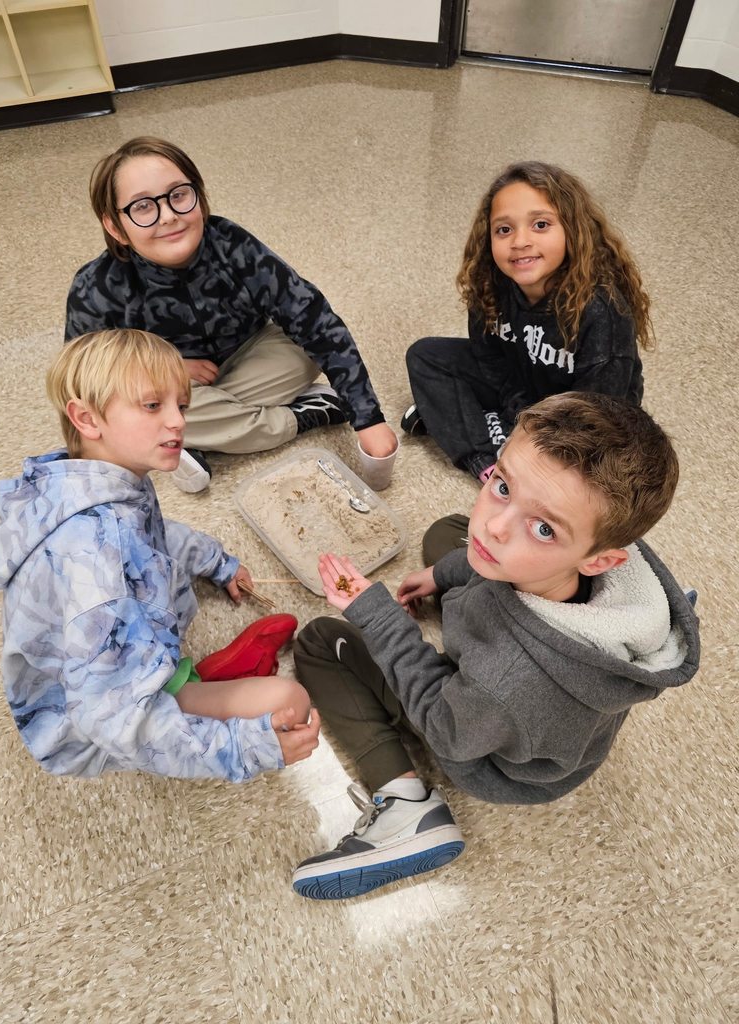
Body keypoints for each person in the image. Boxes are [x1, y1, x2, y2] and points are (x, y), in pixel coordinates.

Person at [292, 392, 700, 899]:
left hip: (483, 751)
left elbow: (447, 728)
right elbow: (493, 540)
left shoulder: (505, 681)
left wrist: (374, 615)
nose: (495, 525)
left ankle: (404, 805)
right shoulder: (611, 562)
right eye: (502, 485)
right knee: (452, 535)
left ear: (602, 561)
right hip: (539, 700)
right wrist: (439, 575)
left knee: (318, 643)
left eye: (544, 527)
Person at [0, 329, 321, 780]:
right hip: (83, 719)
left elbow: (151, 534)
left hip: (111, 661)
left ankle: (189, 682)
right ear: (87, 418)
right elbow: (115, 720)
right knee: (290, 704)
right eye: (153, 406)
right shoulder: (97, 564)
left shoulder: (88, 481)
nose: (177, 421)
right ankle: (191, 684)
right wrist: (244, 748)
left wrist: (215, 561)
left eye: (182, 405)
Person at [65, 136, 398, 493]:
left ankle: (191, 434)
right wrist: (169, 367)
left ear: (200, 197)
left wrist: (368, 420)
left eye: (178, 195)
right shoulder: (95, 287)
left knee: (305, 351)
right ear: (116, 227)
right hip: (165, 382)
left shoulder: (232, 244)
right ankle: (304, 415)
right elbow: (83, 386)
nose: (169, 215)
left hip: (253, 354)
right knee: (136, 411)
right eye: (143, 207)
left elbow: (313, 317)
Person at [401, 161, 653, 481]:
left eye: (540, 225)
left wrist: (531, 426)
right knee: (426, 356)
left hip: (589, 415)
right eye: (504, 230)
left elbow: (600, 411)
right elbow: (489, 359)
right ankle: (489, 465)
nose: (520, 241)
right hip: (522, 385)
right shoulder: (489, 282)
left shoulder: (602, 310)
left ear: (572, 230)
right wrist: (518, 408)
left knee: (591, 472)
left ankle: (476, 425)